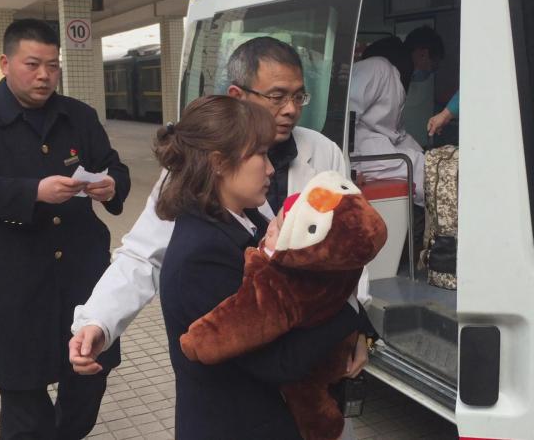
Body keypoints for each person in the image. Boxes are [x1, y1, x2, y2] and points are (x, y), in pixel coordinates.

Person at [69, 36, 370, 369]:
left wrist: (355, 326)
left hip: (315, 342)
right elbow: (143, 254)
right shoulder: (192, 169)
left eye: (298, 96)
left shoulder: (324, 152)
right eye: (277, 97)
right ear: (237, 96)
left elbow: (348, 246)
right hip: (253, 365)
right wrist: (98, 320)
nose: (291, 109)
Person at [0, 19, 130, 439]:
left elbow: (114, 165)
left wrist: (111, 185)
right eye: (33, 64)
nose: (45, 75)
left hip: (82, 277)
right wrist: (34, 192)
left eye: (53, 65)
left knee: (88, 382)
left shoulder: (79, 115)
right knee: (23, 401)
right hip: (16, 280)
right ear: (5, 63)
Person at [159, 95, 368, 439]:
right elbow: (278, 361)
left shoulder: (247, 218)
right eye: (259, 154)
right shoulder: (202, 255)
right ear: (218, 163)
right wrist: (348, 312)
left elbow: (297, 292)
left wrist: (359, 327)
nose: (270, 168)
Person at [349, 55, 426, 207]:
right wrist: (352, 169)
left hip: (378, 149)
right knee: (425, 172)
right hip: (362, 156)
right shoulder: (376, 68)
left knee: (424, 163)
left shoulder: (392, 78)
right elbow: (348, 115)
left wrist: (422, 152)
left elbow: (395, 131)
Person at [403, 25, 446, 148]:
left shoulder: (429, 92)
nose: (431, 72)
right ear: (423, 54)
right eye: (433, 66)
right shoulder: (392, 81)